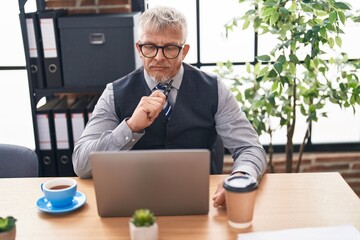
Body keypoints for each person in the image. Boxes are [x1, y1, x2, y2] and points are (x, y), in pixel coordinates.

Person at [72, 6, 267, 208]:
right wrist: (130, 127)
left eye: (170, 48)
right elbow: (82, 164)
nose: (158, 57)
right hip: (133, 200)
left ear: (184, 51)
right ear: (139, 49)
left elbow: (250, 147)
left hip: (202, 201)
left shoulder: (214, 89)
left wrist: (240, 178)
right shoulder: (114, 93)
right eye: (150, 47)